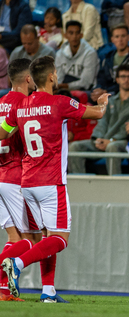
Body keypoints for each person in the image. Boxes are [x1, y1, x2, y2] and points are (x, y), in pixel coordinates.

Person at [0, 56, 109, 300]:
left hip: (26, 183)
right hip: (51, 182)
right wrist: (103, 102)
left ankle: (48, 292)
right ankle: (16, 265)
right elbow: (98, 114)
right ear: (51, 76)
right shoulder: (59, 102)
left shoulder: (21, 105)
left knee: (41, 238)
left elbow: (2, 133)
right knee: (59, 238)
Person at [0, 59, 38, 301]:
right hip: (16, 177)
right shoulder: (25, 105)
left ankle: (4, 291)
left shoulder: (1, 103)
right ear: (27, 78)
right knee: (32, 241)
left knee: (13, 239)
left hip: (0, 175)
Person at [69, 65, 129, 175]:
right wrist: (98, 138)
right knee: (75, 146)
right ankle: (81, 184)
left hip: (123, 142)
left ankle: (113, 185)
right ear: (117, 80)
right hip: (104, 139)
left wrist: (111, 140)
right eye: (123, 76)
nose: (126, 80)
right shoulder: (111, 100)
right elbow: (102, 121)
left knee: (112, 147)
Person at [92, 24, 129, 102]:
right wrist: (98, 90)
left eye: (123, 36)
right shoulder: (107, 58)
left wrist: (107, 91)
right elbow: (101, 78)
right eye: (117, 37)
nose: (120, 40)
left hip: (125, 93)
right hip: (107, 93)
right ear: (112, 40)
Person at [55, 21, 100, 91]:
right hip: (64, 88)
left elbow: (86, 82)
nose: (74, 36)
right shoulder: (59, 54)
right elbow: (59, 78)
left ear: (81, 35)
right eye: (71, 33)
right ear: (65, 35)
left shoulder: (90, 53)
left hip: (86, 90)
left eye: (77, 33)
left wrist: (65, 86)